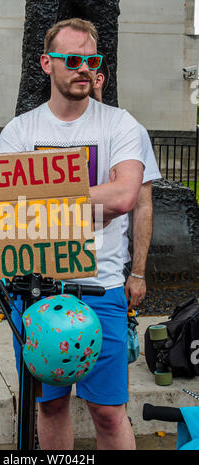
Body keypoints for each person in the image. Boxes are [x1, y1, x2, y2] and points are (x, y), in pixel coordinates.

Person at [0, 18, 144, 450]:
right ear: (47, 63)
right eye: (73, 59)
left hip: (102, 286)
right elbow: (5, 211)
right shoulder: (20, 132)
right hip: (37, 291)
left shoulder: (120, 125)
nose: (84, 68)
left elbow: (123, 197)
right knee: (49, 405)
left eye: (92, 60)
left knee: (108, 411)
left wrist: (41, 201)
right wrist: (86, 206)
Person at [91, 61, 161, 311]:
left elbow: (143, 207)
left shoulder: (129, 131)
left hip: (108, 271)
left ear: (98, 80)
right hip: (55, 267)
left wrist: (138, 273)